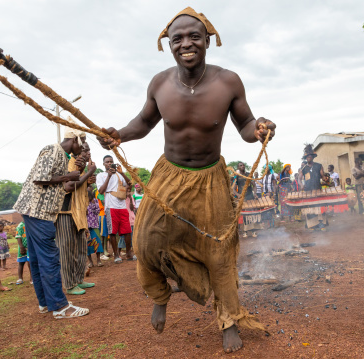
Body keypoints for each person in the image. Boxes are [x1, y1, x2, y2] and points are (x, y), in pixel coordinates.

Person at [97, 7, 275, 353]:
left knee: (218, 253)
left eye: (194, 36)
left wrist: (262, 128)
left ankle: (228, 321)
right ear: (168, 44)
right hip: (169, 175)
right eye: (177, 38)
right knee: (146, 242)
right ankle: (161, 295)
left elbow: (246, 127)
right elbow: (143, 123)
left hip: (211, 180)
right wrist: (118, 134)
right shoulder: (160, 83)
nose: (186, 43)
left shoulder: (228, 81)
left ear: (208, 41)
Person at [13, 123, 89, 319]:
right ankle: (60, 306)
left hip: (38, 212)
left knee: (38, 260)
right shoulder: (51, 149)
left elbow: (60, 187)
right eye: (83, 143)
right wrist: (68, 175)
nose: (83, 148)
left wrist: (75, 174)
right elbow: (40, 178)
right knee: (49, 259)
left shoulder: (63, 157)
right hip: (38, 212)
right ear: (75, 140)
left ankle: (46, 303)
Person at [56, 138, 97, 295]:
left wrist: (87, 181)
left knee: (80, 247)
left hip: (79, 212)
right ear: (76, 147)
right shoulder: (67, 162)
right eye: (85, 149)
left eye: (89, 150)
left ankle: (79, 279)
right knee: (66, 249)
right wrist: (88, 174)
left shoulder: (81, 165)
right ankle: (70, 284)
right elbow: (68, 187)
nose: (88, 153)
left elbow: (85, 192)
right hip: (65, 212)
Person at [96, 155, 135, 263]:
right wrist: (108, 176)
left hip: (122, 206)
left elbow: (129, 184)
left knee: (127, 230)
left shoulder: (119, 175)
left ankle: (128, 252)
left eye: (111, 161)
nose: (109, 163)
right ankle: (116, 255)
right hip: (110, 206)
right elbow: (101, 191)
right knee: (112, 232)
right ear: (103, 163)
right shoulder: (101, 175)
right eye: (107, 162)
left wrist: (122, 172)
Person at [298, 144, 327, 230]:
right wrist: (301, 185)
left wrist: (325, 179)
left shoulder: (319, 165)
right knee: (310, 208)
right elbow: (299, 179)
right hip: (308, 191)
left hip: (318, 189)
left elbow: (323, 176)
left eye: (310, 157)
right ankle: (312, 225)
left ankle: (322, 224)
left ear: (313, 157)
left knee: (320, 206)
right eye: (307, 157)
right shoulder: (303, 168)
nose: (308, 158)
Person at [87, 187, 106, 267]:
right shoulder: (82, 203)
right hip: (85, 227)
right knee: (87, 245)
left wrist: (93, 204)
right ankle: (90, 262)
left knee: (97, 243)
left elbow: (97, 211)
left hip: (94, 225)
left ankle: (98, 260)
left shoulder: (94, 201)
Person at [118, 185, 136, 255]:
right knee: (122, 238)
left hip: (131, 219)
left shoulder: (131, 198)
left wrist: (131, 199)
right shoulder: (121, 198)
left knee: (132, 237)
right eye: (127, 190)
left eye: (129, 190)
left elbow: (132, 208)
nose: (128, 192)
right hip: (124, 220)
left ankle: (129, 252)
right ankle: (118, 253)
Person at [15, 221, 32, 285]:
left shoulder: (30, 223)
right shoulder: (20, 226)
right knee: (21, 263)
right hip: (22, 247)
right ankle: (20, 278)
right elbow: (18, 237)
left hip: (30, 247)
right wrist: (21, 247)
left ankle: (32, 278)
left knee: (30, 262)